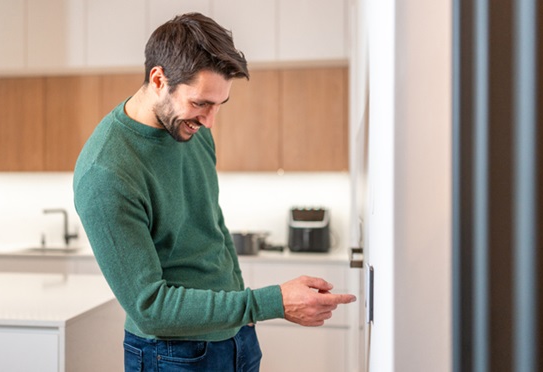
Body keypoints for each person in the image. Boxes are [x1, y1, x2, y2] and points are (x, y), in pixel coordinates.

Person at [73, 12, 356, 371]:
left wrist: (244, 318)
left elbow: (214, 228)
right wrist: (267, 304)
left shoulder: (192, 129)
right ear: (159, 79)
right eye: (200, 103)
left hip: (237, 338)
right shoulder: (106, 173)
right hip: (172, 356)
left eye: (219, 105)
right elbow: (150, 308)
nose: (209, 121)